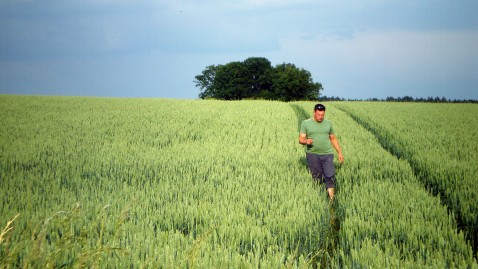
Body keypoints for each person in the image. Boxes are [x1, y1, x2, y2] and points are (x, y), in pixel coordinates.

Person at [298, 103, 344, 200]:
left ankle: (332, 200)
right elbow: (301, 139)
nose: (320, 117)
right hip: (313, 154)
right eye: (318, 114)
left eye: (322, 115)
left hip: (327, 154)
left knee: (330, 175)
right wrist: (306, 141)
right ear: (314, 112)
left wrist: (339, 152)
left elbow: (333, 138)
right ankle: (318, 199)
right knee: (316, 177)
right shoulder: (306, 123)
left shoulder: (328, 123)